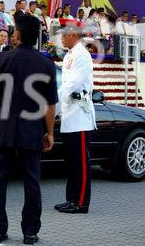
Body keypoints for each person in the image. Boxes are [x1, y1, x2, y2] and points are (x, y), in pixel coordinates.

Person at [0, 15, 58, 245]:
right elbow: (50, 105)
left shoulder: (1, 60)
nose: (12, 34)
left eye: (14, 31)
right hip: (32, 131)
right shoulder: (46, 64)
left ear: (19, 35)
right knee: (32, 181)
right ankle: (30, 232)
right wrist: (49, 132)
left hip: (1, 129)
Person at [55, 23, 96, 214]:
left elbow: (72, 84)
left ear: (73, 34)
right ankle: (71, 199)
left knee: (80, 161)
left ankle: (81, 202)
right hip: (69, 111)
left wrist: (53, 104)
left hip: (79, 113)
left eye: (63, 35)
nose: (61, 38)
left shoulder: (81, 55)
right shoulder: (69, 55)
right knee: (71, 160)